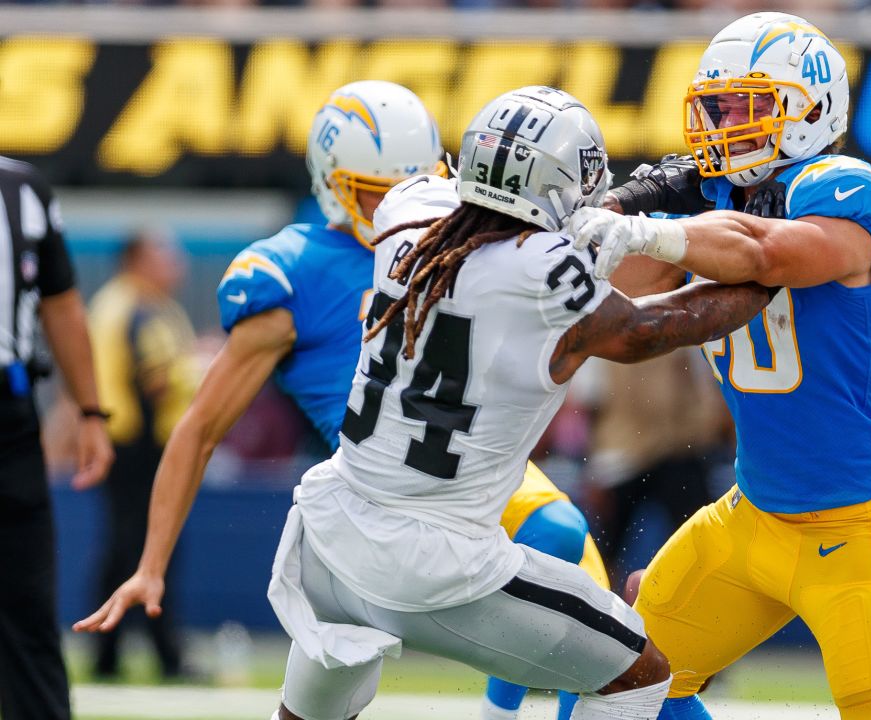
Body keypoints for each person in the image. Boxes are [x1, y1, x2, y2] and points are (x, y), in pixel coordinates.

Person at [73, 80, 606, 720]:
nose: (401, 204)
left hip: (474, 455)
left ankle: (504, 713)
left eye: (422, 180)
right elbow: (200, 426)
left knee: (575, 562)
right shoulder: (292, 273)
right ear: (334, 184)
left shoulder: (476, 240)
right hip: (378, 489)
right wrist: (150, 564)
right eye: (378, 192)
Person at [280, 85, 769, 720]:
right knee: (639, 676)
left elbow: (523, 260)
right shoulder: (541, 271)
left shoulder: (409, 209)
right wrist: (770, 270)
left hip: (328, 529)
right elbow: (648, 327)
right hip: (433, 562)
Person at [567, 13, 871, 718]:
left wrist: (649, 224)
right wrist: (593, 223)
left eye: (743, 105)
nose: (720, 124)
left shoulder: (843, 188)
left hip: (856, 528)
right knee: (616, 681)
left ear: (809, 109)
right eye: (715, 106)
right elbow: (631, 280)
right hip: (752, 516)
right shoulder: (721, 201)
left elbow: (768, 253)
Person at [0, 156, 114, 720]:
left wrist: (91, 412)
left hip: (8, 414)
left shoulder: (22, 190)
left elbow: (61, 304)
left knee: (27, 609)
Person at [87, 228, 200, 679]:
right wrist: (205, 370)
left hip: (142, 443)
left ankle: (110, 653)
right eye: (165, 255)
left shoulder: (148, 305)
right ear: (138, 259)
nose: (177, 264)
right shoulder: (129, 306)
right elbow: (151, 380)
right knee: (144, 548)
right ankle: (161, 654)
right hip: (137, 445)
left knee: (128, 548)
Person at [583, 349, 727, 585]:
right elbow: (591, 406)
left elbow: (707, 392)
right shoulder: (601, 340)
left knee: (700, 547)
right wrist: (593, 471)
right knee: (602, 558)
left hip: (680, 450)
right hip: (620, 460)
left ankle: (698, 604)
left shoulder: (687, 328)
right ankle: (600, 612)